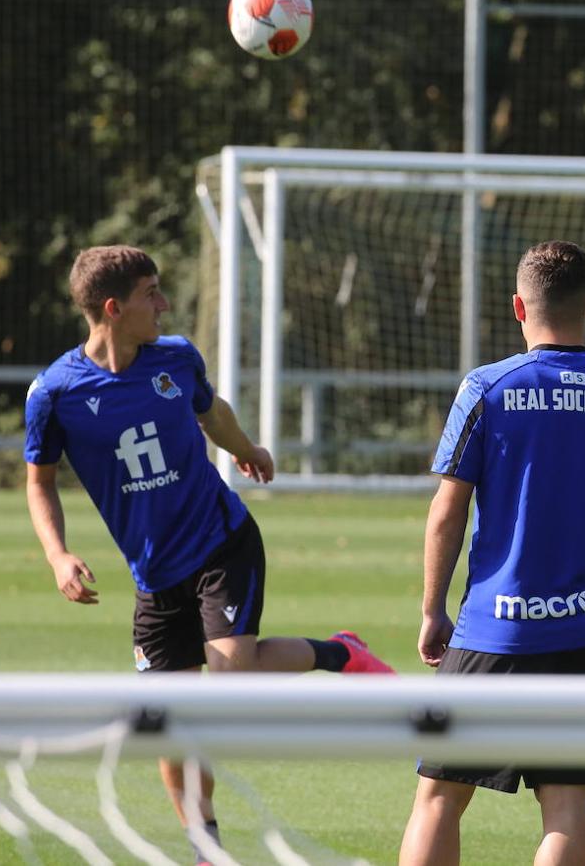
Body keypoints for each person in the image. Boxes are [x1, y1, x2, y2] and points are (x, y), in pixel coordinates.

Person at [23, 245, 395, 864]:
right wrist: (57, 554)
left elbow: (210, 413)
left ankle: (339, 653)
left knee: (224, 687)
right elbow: (39, 481)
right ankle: (205, 848)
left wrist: (246, 447)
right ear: (113, 309)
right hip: (153, 574)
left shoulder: (175, 359)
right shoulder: (54, 393)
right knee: (171, 722)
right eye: (151, 294)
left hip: (222, 543)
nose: (164, 305)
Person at [398, 240, 585, 866]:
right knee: (568, 808)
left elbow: (448, 510)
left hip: (493, 629)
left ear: (519, 308)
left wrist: (431, 608)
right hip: (584, 632)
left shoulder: (488, 387)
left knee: (439, 799)